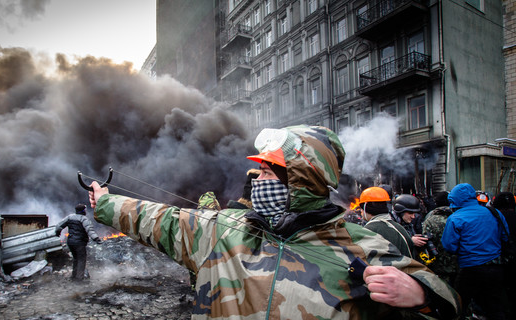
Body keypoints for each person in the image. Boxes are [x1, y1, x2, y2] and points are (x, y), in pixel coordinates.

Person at [88, 125, 460, 319]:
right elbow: (162, 220)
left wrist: (422, 298)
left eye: (267, 170)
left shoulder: (365, 249)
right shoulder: (224, 231)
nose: (256, 177)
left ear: (303, 179)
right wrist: (105, 203)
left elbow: (450, 304)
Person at [442, 183, 509, 320]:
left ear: (454, 199)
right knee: (495, 306)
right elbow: (505, 236)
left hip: (470, 268)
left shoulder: (455, 218)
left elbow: (449, 246)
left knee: (460, 305)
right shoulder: (494, 213)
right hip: (496, 267)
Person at [360, 187, 415, 258]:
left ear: (365, 207)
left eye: (361, 209)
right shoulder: (399, 228)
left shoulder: (369, 230)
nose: (361, 212)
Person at [55, 203, 102, 280]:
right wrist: (96, 239)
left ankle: (73, 276)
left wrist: (57, 233)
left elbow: (58, 226)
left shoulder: (70, 217)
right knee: (81, 259)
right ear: (83, 211)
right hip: (79, 243)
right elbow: (89, 230)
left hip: (70, 242)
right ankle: (79, 278)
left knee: (76, 259)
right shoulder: (84, 219)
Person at [422, 191, 458, 286]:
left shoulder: (430, 220)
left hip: (439, 267)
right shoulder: (458, 218)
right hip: (459, 265)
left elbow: (426, 243)